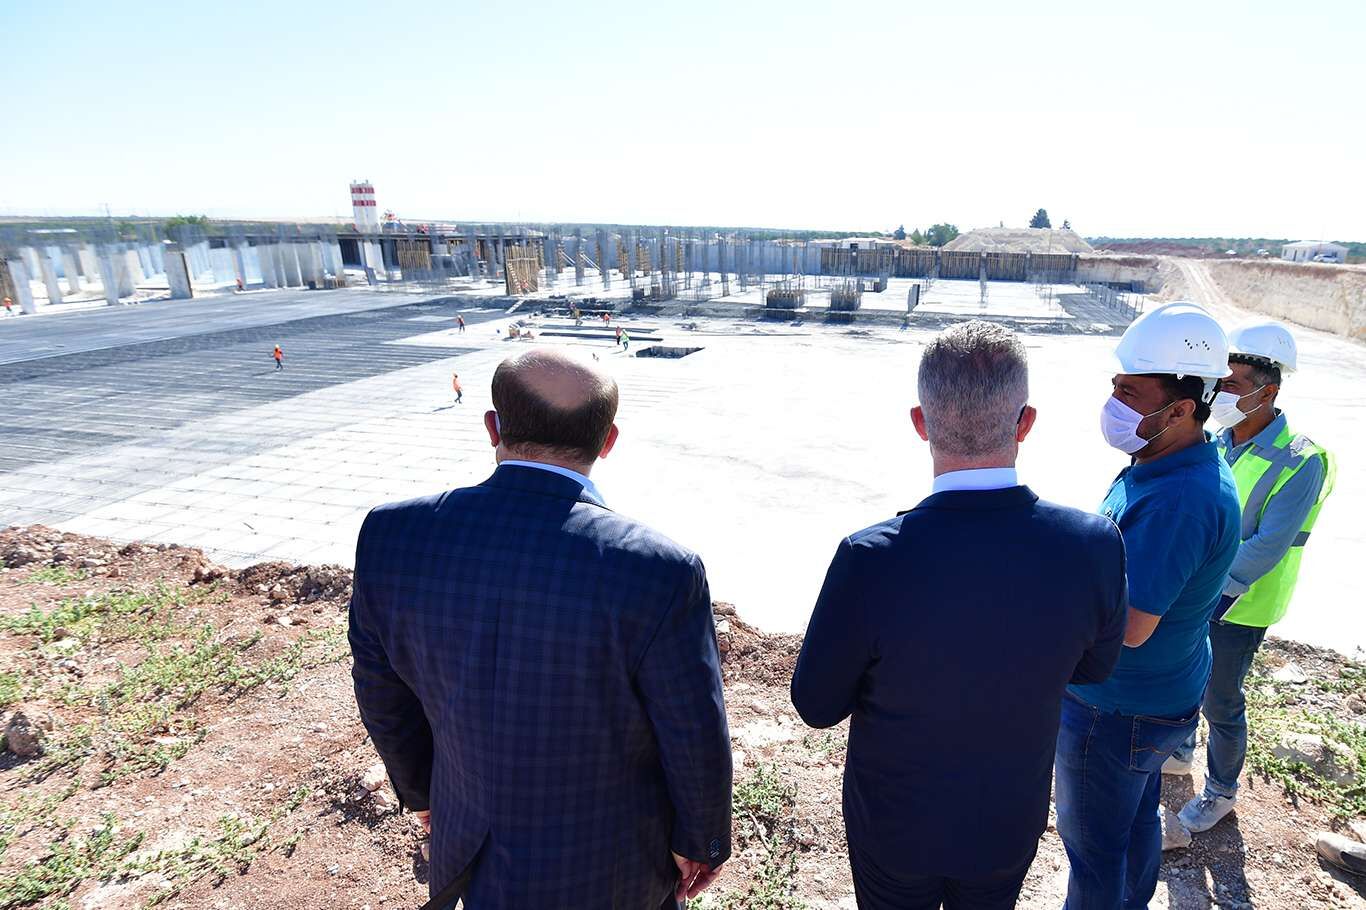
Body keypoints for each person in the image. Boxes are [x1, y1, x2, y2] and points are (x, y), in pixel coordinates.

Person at [350, 348, 731, 909]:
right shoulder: (657, 569)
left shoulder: (393, 533)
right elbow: (691, 728)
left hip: (467, 842)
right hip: (611, 862)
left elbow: (380, 686)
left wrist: (424, 793)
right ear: (608, 440)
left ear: (493, 427)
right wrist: (701, 840)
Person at [791, 320, 1128, 910]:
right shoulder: (1093, 545)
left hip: (894, 827)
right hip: (1005, 822)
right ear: (1025, 423)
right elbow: (1094, 668)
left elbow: (817, 706)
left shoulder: (871, 557)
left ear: (920, 423)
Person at [1056, 301, 1241, 909]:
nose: (1113, 402)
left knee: (1093, 850)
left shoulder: (1178, 500)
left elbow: (1131, 626)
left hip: (1118, 706)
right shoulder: (1165, 461)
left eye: (1129, 392)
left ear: (1182, 408)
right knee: (1134, 821)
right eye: (1114, 385)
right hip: (1158, 695)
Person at [1169, 321, 1335, 834]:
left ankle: (1220, 791)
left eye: (1233, 385)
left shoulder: (1301, 460)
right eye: (1219, 382)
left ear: (1269, 393)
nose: (1220, 393)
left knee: (1221, 698)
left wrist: (1201, 586)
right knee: (1185, 676)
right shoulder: (1216, 441)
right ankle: (1180, 751)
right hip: (1198, 590)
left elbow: (1266, 546)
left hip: (1241, 601)